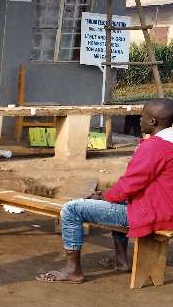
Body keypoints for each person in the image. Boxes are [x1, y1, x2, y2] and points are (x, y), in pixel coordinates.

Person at [36, 98, 173, 283]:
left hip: (156, 214)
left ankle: (72, 270)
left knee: (72, 209)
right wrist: (108, 196)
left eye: (142, 116)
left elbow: (131, 184)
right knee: (117, 200)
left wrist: (106, 196)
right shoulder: (167, 142)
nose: (139, 120)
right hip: (164, 208)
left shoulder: (155, 147)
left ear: (153, 122)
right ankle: (121, 260)